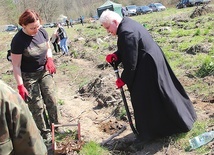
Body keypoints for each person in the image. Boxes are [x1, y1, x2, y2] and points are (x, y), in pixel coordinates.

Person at [99, 10, 197, 142]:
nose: (108, 31)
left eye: (107, 28)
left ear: (115, 22)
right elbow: (130, 49)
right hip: (150, 61)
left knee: (146, 98)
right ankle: (180, 118)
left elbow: (131, 63)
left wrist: (123, 79)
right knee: (159, 93)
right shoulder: (127, 24)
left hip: (149, 67)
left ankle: (158, 130)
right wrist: (117, 55)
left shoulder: (126, 32)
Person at [10, 9, 61, 144]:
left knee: (52, 99)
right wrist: (20, 85)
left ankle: (56, 126)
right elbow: (16, 65)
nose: (36, 30)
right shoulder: (18, 41)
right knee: (36, 106)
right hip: (28, 76)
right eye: (32, 28)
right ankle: (45, 133)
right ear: (24, 26)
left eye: (38, 26)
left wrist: (49, 59)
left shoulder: (42, 32)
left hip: (44, 71)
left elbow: (48, 47)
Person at [0, 79, 47, 155]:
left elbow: (31, 147)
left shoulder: (5, 96)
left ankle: (47, 131)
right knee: (38, 107)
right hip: (29, 76)